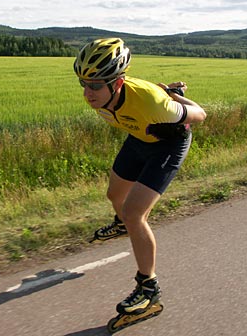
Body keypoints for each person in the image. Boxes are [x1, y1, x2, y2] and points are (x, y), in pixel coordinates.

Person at [73, 38, 206, 316]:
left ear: (117, 83)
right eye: (84, 83)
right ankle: (122, 224)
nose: (88, 92)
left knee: (135, 213)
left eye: (96, 85)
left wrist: (174, 97)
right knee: (114, 195)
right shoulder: (101, 98)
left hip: (169, 141)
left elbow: (201, 114)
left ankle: (148, 288)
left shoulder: (155, 103)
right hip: (139, 137)